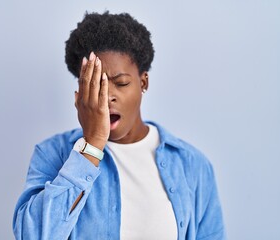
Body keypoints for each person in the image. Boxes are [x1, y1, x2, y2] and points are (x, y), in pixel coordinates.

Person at [12, 11, 226, 240]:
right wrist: (92, 145)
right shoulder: (53, 153)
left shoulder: (193, 166)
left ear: (143, 82)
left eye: (121, 83)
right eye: (96, 86)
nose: (107, 96)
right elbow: (32, 235)